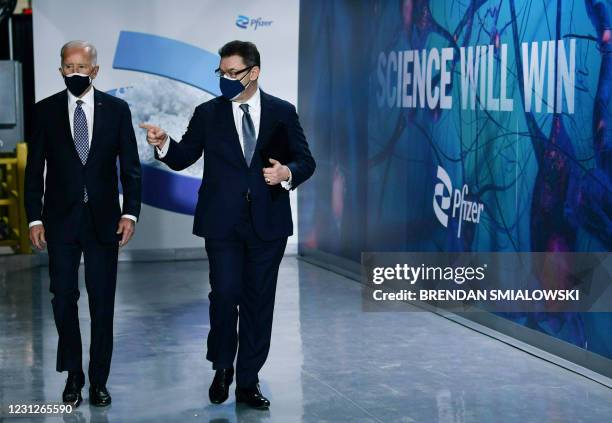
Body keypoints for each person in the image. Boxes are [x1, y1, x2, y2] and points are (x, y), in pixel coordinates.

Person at [140, 40, 315, 410]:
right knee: (224, 295)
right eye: (221, 72)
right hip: (222, 224)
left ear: (254, 73)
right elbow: (183, 156)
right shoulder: (208, 114)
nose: (225, 79)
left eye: (233, 73)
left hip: (268, 225)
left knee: (258, 303)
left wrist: (287, 172)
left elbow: (305, 161)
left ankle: (248, 381)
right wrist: (163, 143)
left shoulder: (282, 113)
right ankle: (222, 367)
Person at [24, 40, 142, 407]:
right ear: (60, 69)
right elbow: (34, 171)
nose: (75, 73)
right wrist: (34, 217)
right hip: (59, 222)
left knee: (103, 302)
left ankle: (98, 380)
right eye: (68, 67)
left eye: (82, 66)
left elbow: (131, 168)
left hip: (104, 221)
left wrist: (130, 212)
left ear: (95, 69)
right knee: (62, 298)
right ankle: (73, 374)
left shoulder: (118, 110)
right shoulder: (44, 111)